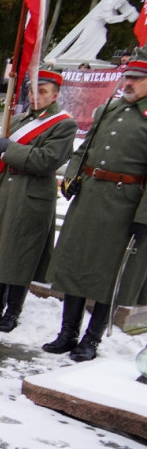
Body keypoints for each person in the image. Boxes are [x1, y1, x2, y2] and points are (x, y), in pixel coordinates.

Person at [44, 49, 147, 361]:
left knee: (106, 276)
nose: (128, 82)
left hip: (122, 205)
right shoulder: (107, 110)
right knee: (75, 266)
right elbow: (82, 150)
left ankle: (91, 339)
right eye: (127, 76)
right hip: (88, 198)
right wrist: (71, 178)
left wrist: (143, 217)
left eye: (136, 78)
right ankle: (67, 332)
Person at [0, 69, 77, 331]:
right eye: (31, 90)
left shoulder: (63, 124)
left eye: (42, 91)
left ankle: (13, 312)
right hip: (4, 191)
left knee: (21, 254)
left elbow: (48, 158)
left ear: (55, 95)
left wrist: (11, 149)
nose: (34, 96)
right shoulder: (16, 121)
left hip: (32, 195)